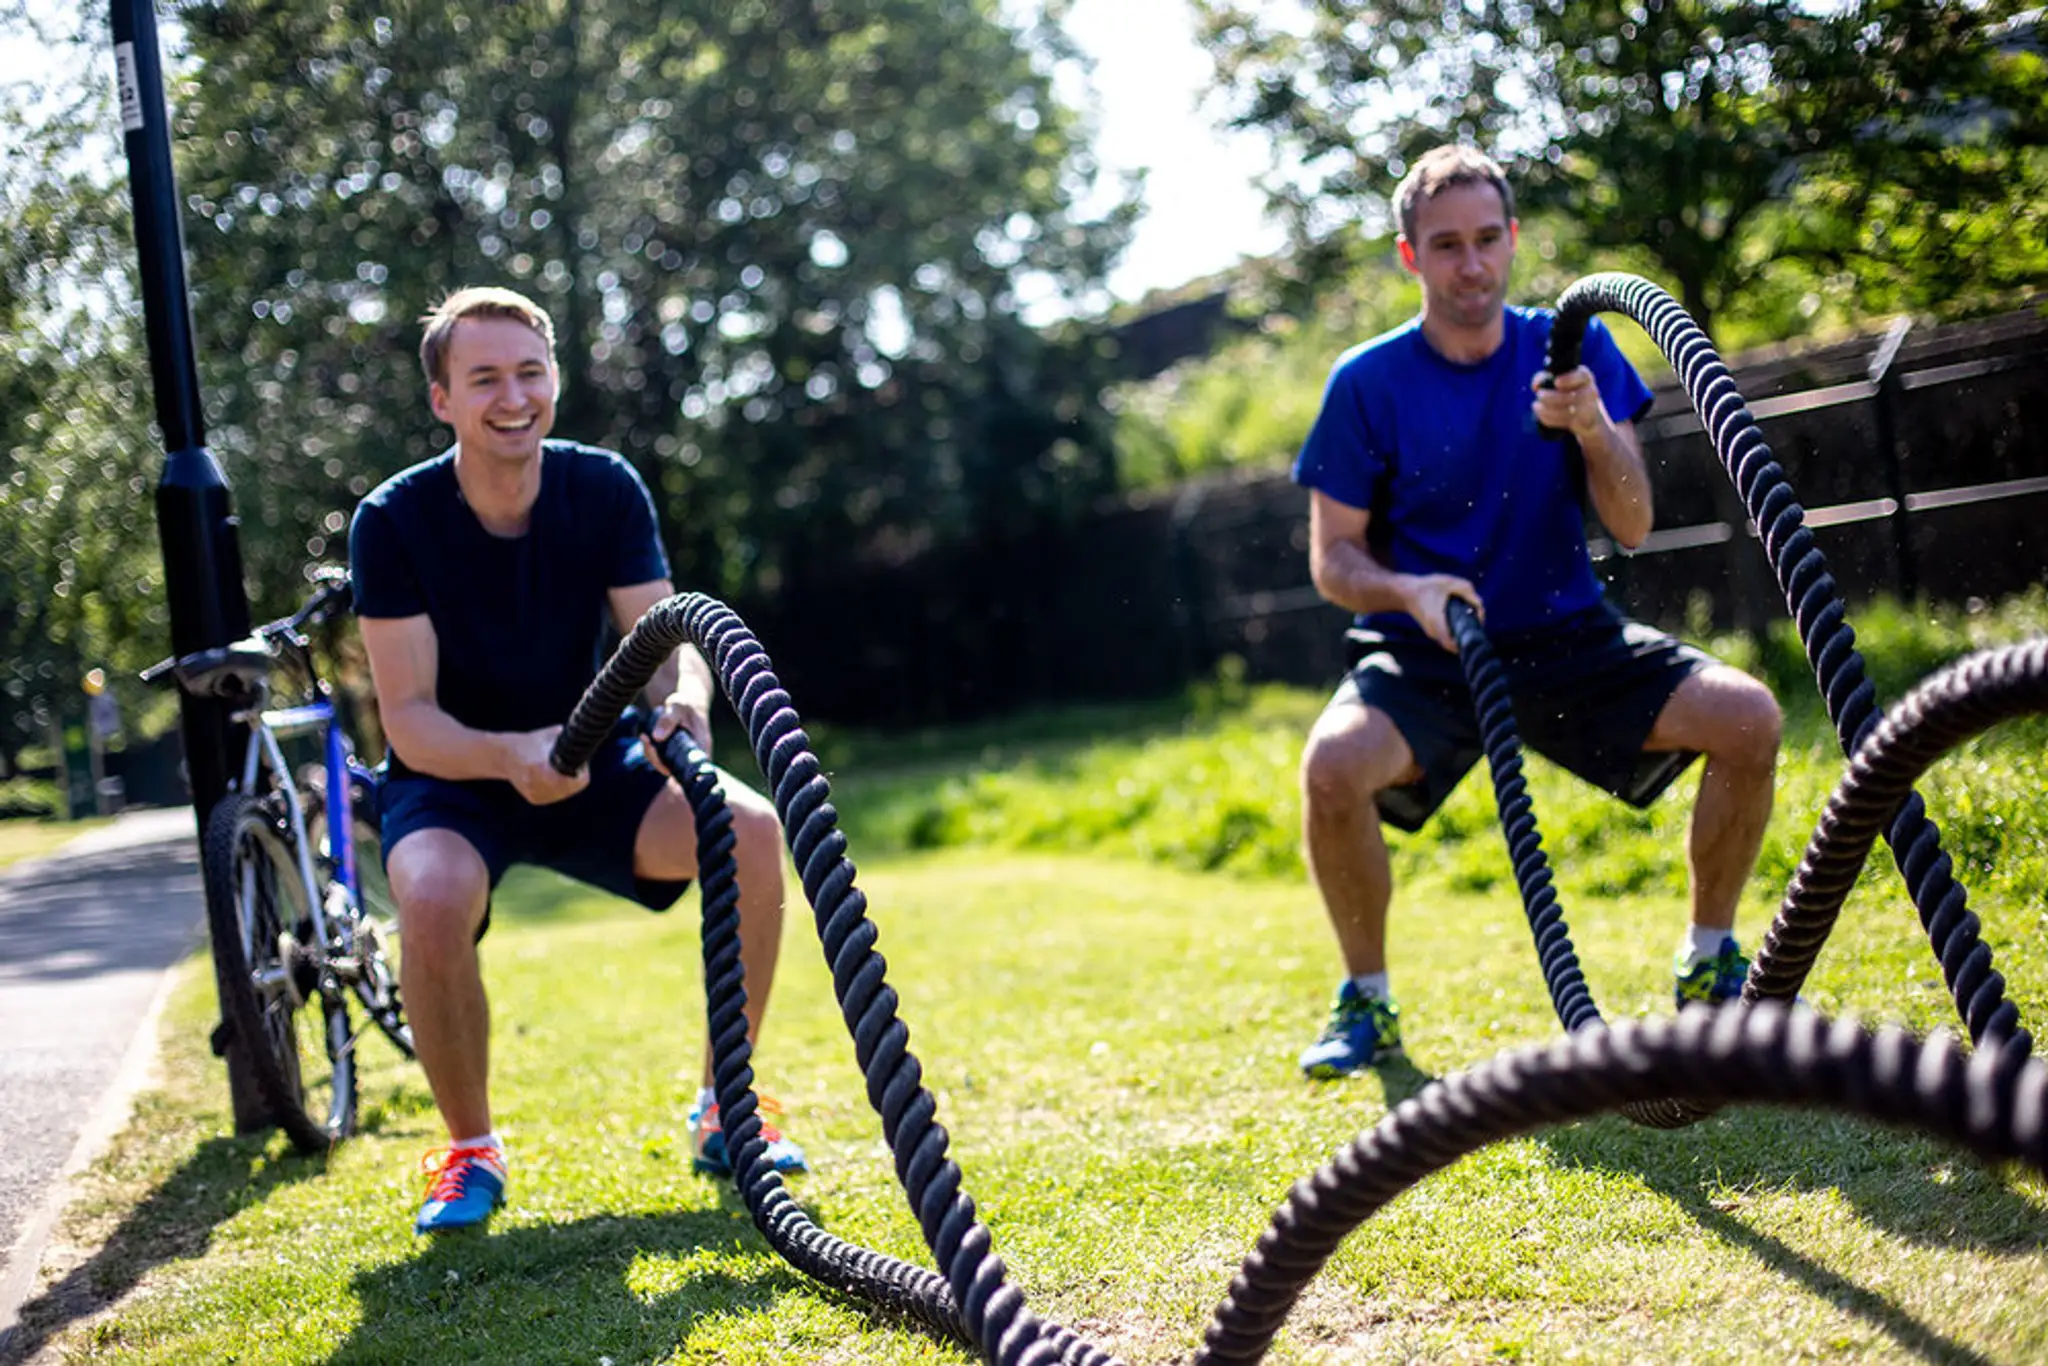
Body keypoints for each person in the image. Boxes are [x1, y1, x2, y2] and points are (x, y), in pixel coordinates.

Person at [1291, 146, 1783, 1079]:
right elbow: (1334, 562)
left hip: (1568, 637)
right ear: (1410, 257)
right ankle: (1368, 1000)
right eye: (1445, 246)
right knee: (1330, 767)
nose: (1470, 265)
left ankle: (1709, 961)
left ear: (1513, 240)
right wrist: (1410, 591)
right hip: (1428, 650)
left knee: (1750, 718)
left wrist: (1592, 427)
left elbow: (1633, 525)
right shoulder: (1366, 381)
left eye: (1486, 240)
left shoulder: (1574, 347)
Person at [349, 286, 807, 1233]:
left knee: (754, 833)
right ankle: (468, 1151)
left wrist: (683, 699)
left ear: (553, 378)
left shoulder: (602, 486)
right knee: (429, 894)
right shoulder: (393, 521)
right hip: (455, 777)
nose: (512, 396)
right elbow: (410, 721)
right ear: (442, 399)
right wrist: (511, 754)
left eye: (530, 372)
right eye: (484, 379)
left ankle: (728, 1108)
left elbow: (667, 638)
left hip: (589, 758)